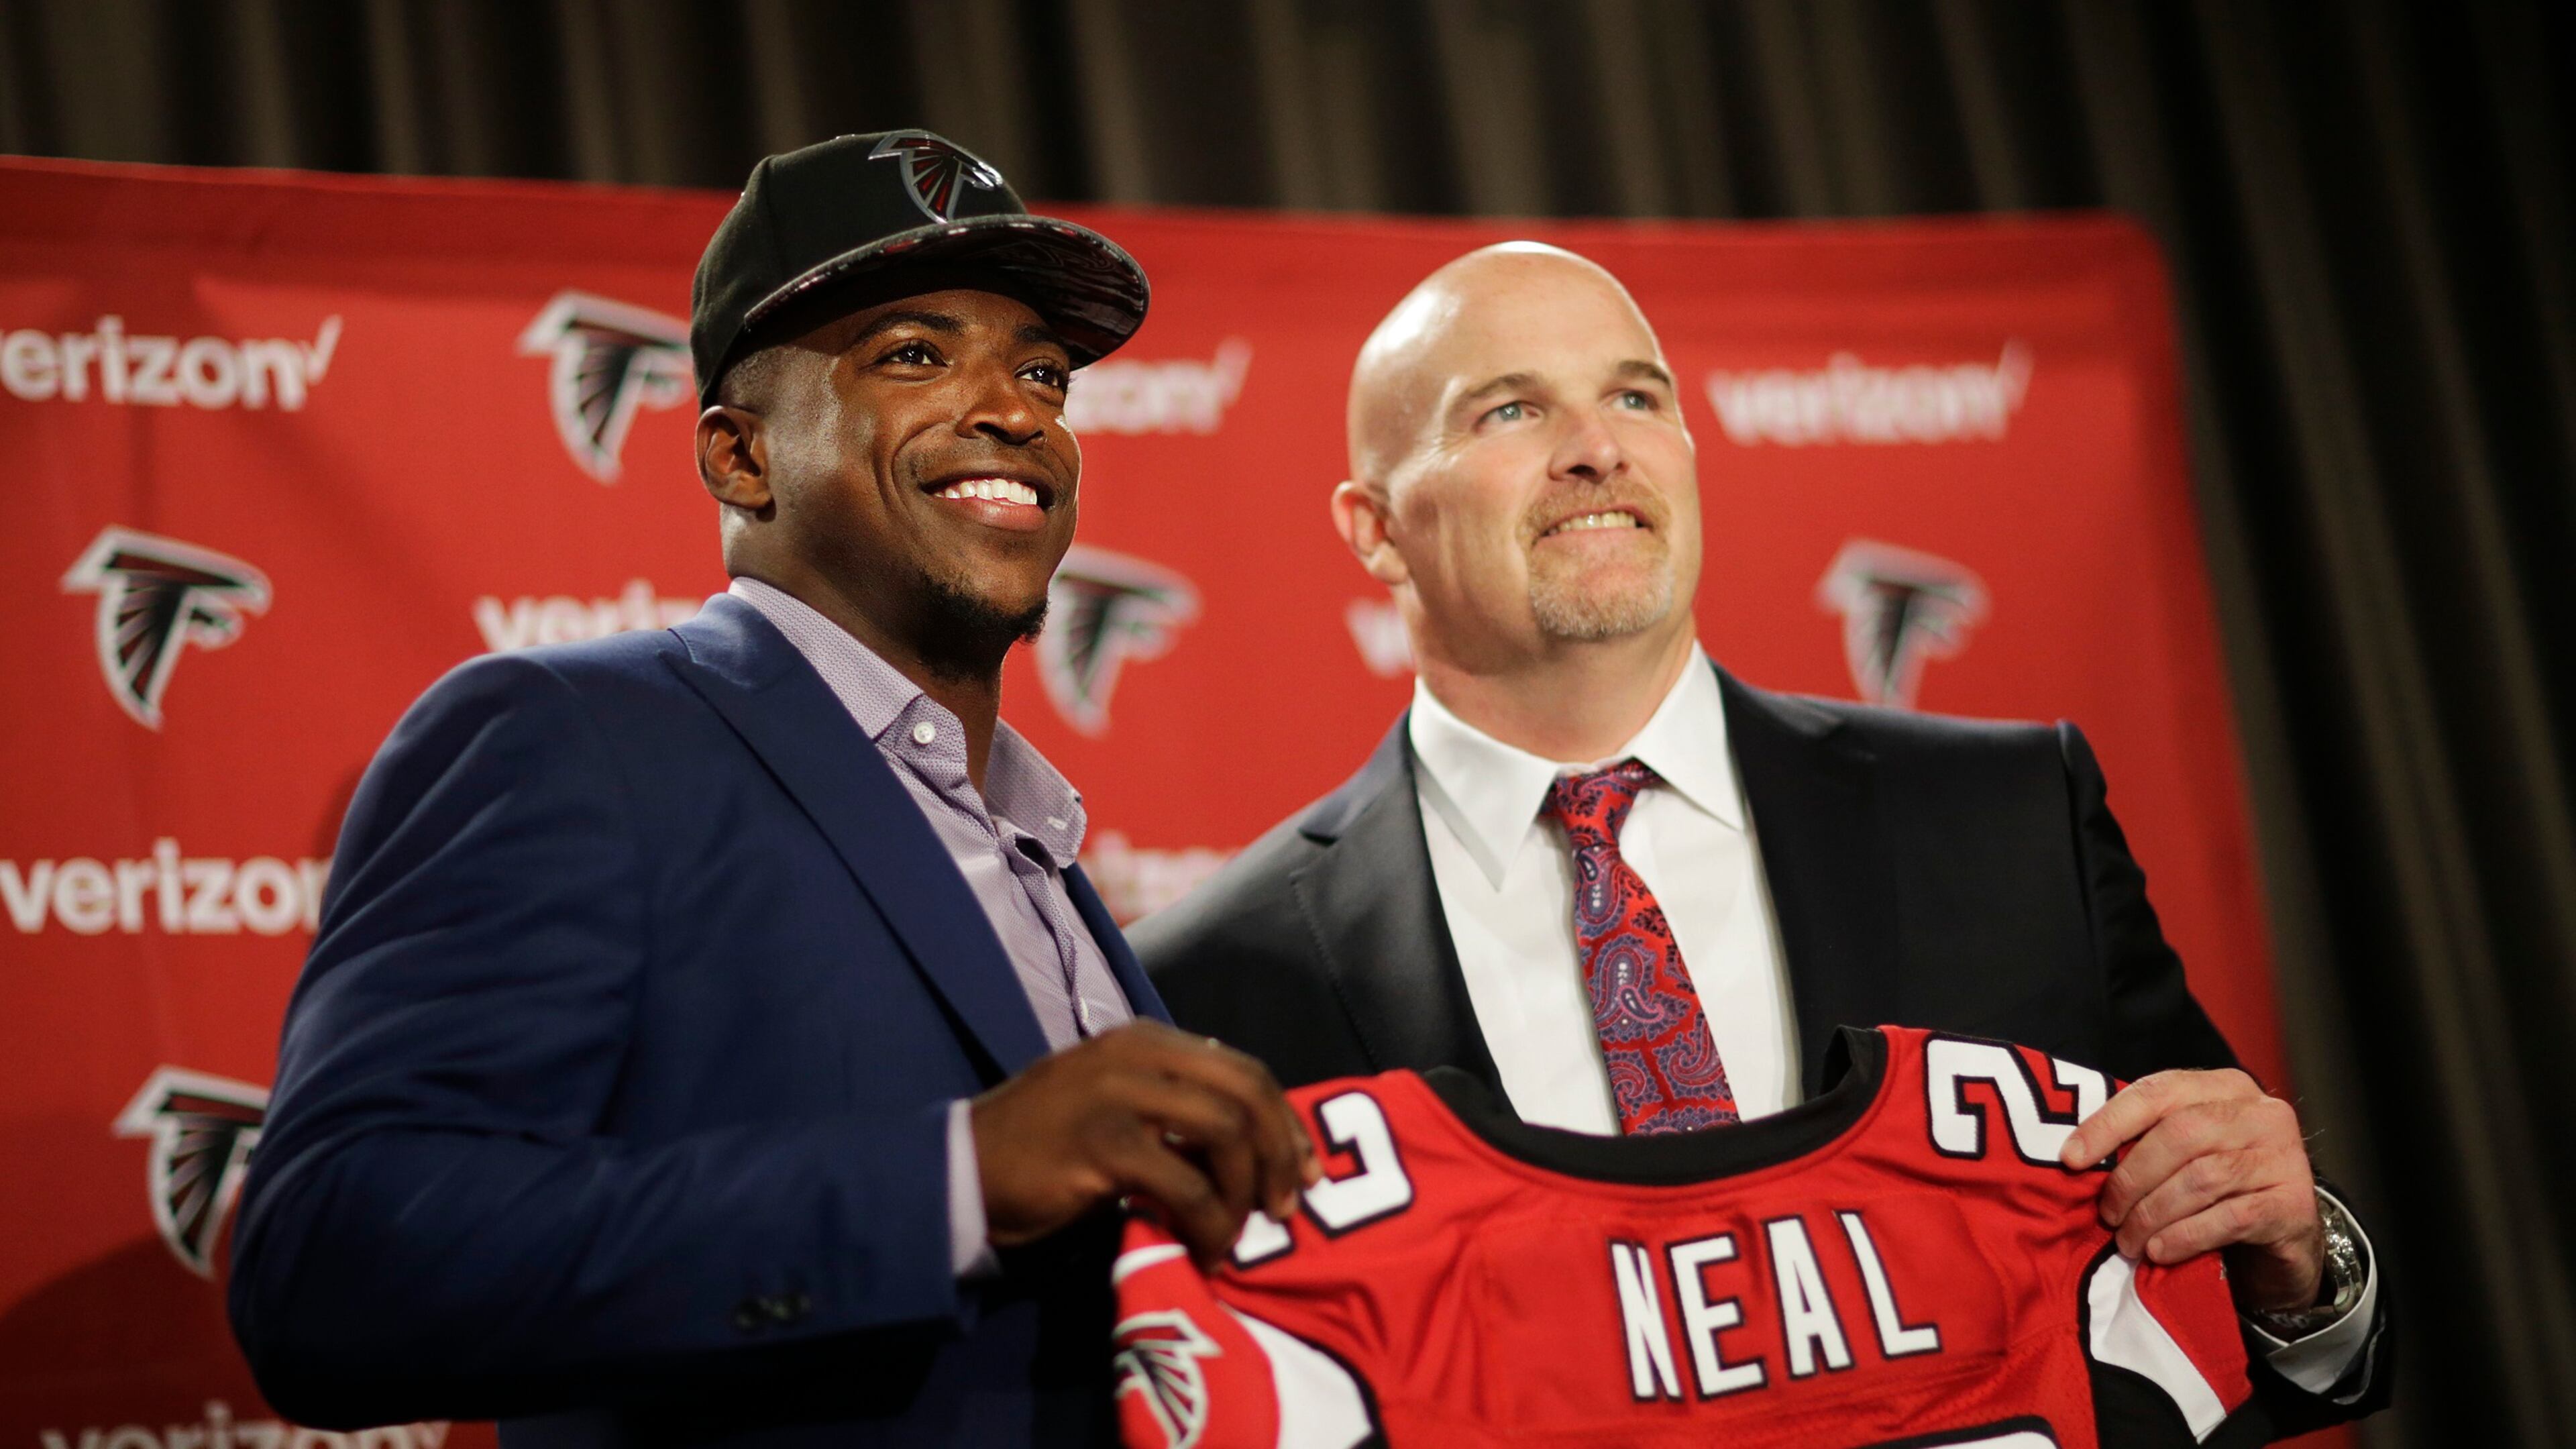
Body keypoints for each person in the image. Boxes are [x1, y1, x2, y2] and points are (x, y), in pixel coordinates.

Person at [1130, 241, 2390, 1432]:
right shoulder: (1212, 979)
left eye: (1635, 395)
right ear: (1372, 526)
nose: (1595, 450)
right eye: (1508, 411)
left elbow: (2220, 1321)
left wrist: (2304, 1268)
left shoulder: (2010, 821)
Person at [227, 131, 1313, 1448]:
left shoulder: (1036, 839)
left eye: (1042, 374)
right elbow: (336, 1273)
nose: (1016, 412)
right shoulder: (566, 740)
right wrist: (955, 1181)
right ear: (740, 458)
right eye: (916, 356)